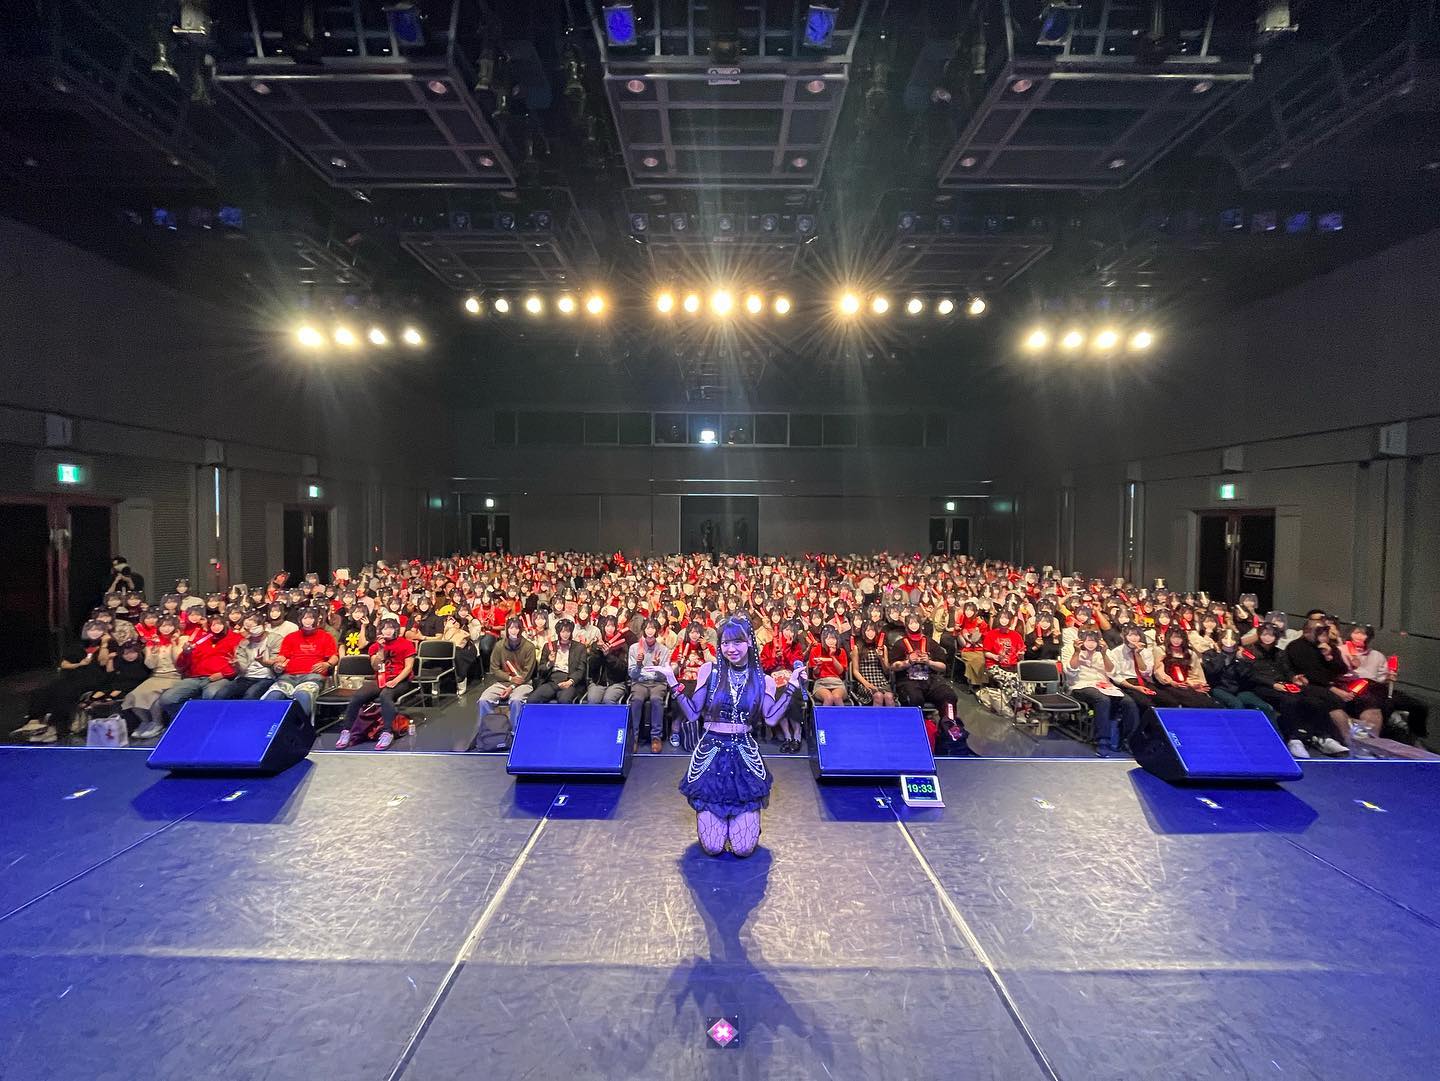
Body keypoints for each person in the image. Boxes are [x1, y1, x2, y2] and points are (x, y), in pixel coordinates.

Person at [661, 615, 791, 857]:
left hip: (744, 756)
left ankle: (742, 822)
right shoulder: (709, 671)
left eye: (737, 642)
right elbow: (692, 713)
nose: (731, 649)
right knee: (712, 847)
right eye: (725, 643)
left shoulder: (763, 680)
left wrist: (792, 687)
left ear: (749, 641)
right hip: (711, 754)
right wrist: (672, 681)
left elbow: (772, 719)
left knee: (743, 849)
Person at [336, 616, 415, 750]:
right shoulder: (374, 646)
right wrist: (381, 650)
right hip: (381, 679)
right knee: (358, 696)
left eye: (390, 628)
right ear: (380, 631)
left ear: (396, 630)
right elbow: (375, 666)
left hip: (401, 679)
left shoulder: (406, 644)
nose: (388, 631)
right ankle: (347, 730)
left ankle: (387, 732)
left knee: (386, 695)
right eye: (384, 628)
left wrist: (395, 681)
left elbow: (409, 667)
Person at [1062, 626, 1139, 756]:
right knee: (1102, 700)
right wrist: (1076, 652)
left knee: (1129, 702)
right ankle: (1103, 741)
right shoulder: (1069, 648)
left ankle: (1130, 740)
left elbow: (1112, 672)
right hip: (1080, 685)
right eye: (1088, 639)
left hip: (1105, 685)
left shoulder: (1104, 650)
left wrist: (1104, 654)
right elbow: (1070, 672)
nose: (1091, 643)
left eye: (1094, 640)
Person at [263, 606, 339, 718]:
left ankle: (300, 725)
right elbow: (282, 656)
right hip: (288, 676)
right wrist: (278, 664)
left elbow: (334, 657)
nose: (308, 621)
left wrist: (327, 664)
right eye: (305, 618)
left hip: (312, 676)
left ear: (317, 620)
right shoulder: (290, 637)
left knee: (302, 695)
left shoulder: (326, 636)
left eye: (311, 618)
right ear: (300, 620)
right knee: (273, 696)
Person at [474, 615, 536, 744]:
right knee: (484, 700)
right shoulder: (499, 646)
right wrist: (509, 678)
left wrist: (512, 686)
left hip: (523, 683)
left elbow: (527, 673)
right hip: (503, 682)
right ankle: (491, 729)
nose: (514, 631)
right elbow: (494, 668)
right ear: (507, 629)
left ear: (521, 630)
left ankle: (514, 732)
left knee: (516, 700)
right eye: (511, 628)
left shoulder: (529, 647)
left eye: (517, 628)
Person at [529, 617, 587, 704]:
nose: (565, 634)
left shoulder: (579, 648)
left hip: (569, 680)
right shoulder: (548, 646)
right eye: (563, 632)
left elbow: (581, 670)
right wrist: (550, 663)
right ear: (558, 632)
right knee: (532, 700)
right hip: (552, 680)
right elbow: (541, 669)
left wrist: (570, 682)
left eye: (568, 631)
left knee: (564, 700)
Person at [850, 621, 895, 706]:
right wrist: (866, 684)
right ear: (863, 632)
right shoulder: (857, 648)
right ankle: (876, 715)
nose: (871, 633)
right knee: (878, 696)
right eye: (868, 631)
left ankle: (890, 715)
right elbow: (855, 671)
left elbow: (886, 670)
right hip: (865, 681)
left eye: (873, 631)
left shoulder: (882, 647)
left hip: (881, 681)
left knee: (889, 697)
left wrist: (881, 658)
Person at [807, 625, 849, 706]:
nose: (831, 641)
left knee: (836, 697)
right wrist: (818, 666)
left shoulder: (841, 651)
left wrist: (832, 656)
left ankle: (842, 715)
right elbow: (815, 674)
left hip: (837, 682)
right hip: (821, 683)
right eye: (828, 638)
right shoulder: (815, 649)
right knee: (829, 698)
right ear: (823, 639)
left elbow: (840, 672)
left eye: (833, 638)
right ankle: (825, 715)